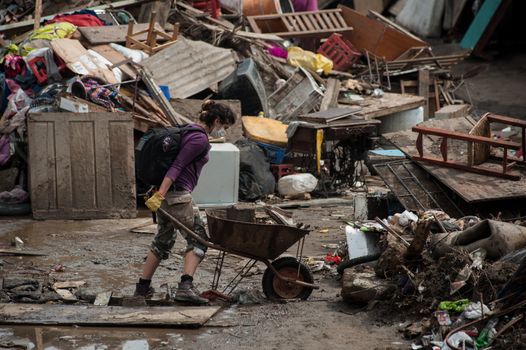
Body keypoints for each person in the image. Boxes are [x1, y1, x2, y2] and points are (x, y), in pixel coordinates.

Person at [135, 100, 236, 304]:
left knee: (162, 241)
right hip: (176, 197)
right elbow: (177, 165)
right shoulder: (199, 140)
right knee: (199, 239)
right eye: (224, 127)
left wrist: (159, 195)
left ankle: (142, 288)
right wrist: (162, 193)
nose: (223, 131)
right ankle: (185, 287)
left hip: (166, 197)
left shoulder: (188, 130)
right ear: (216, 120)